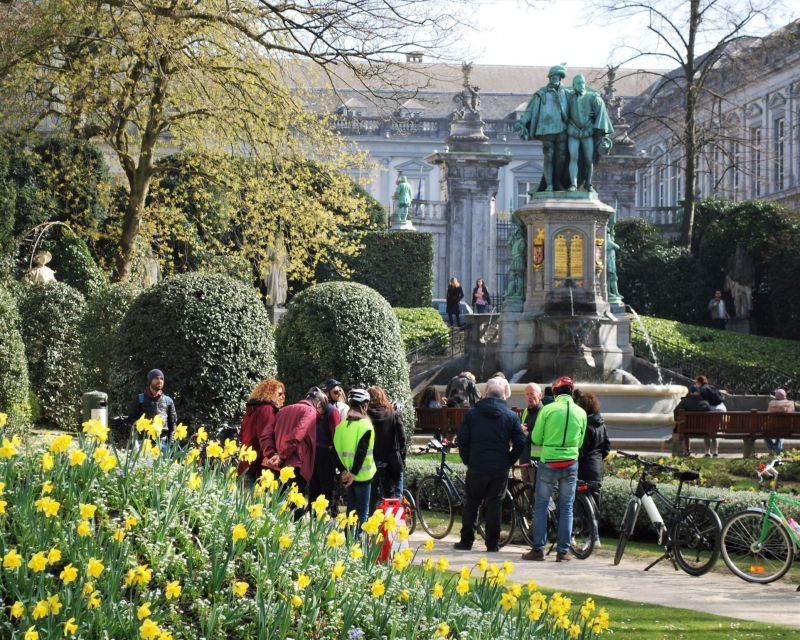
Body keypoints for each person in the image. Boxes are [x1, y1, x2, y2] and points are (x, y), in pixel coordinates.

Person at [453, 377, 525, 552]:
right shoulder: (510, 416)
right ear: (503, 397)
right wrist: (509, 460)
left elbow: (462, 439)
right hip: (499, 467)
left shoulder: (472, 413)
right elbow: (521, 441)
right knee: (495, 505)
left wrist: (467, 459)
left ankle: (466, 540)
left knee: (472, 502)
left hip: (477, 465)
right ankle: (492, 543)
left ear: (485, 394)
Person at [523, 376, 587, 562]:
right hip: (570, 462)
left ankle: (538, 549)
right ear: (572, 392)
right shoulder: (581, 412)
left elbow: (536, 438)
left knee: (541, 505)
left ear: (556, 392)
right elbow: (581, 441)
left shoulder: (548, 410)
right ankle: (563, 551)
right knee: (567, 507)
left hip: (549, 461)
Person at [514, 64, 570, 192]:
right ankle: (549, 184)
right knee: (549, 156)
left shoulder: (567, 93)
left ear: (561, 77)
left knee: (561, 156)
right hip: (546, 129)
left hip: (562, 128)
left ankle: (557, 182)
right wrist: (522, 121)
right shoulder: (541, 93)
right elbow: (530, 111)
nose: (552, 79)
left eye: (555, 76)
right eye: (551, 77)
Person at [264, 387, 328, 496]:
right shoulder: (311, 412)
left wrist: (272, 454)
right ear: (318, 404)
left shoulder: (283, 410)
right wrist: (281, 456)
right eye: (322, 413)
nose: (320, 416)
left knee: (274, 508)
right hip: (295, 468)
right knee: (294, 509)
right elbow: (297, 435)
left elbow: (266, 435)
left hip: (274, 465)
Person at [333, 388, 376, 528]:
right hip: (362, 477)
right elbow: (361, 452)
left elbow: (334, 451)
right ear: (364, 405)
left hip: (346, 477)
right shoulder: (365, 426)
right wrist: (353, 473)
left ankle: (348, 545)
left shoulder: (340, 426)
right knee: (362, 514)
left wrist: (344, 471)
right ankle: (359, 547)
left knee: (350, 513)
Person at [566, 74, 614, 193]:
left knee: (589, 159)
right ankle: (573, 184)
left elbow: (601, 114)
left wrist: (604, 135)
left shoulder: (592, 97)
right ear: (574, 86)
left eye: (582, 83)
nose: (581, 85)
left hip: (588, 132)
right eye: (578, 83)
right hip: (573, 131)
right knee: (573, 157)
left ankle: (588, 183)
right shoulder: (568, 97)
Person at [367, 386, 406, 512]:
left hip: (371, 459)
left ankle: (371, 526)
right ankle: (389, 526)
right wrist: (400, 450)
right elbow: (402, 437)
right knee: (390, 495)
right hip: (390, 459)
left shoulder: (365, 415)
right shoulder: (392, 414)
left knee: (372, 495)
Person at [237, 379, 285, 480]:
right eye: (279, 393)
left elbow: (242, 434)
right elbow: (265, 436)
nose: (282, 397)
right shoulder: (267, 409)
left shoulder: (252, 408)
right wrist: (272, 455)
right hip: (257, 463)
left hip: (246, 458)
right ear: (270, 392)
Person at [572, 389, 611, 516]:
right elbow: (606, 448)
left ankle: (582, 529)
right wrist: (598, 458)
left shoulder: (586, 425)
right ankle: (593, 531)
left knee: (581, 502)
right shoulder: (602, 424)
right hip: (597, 468)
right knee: (595, 501)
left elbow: (581, 450)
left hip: (585, 468)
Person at [307, 387, 342, 515]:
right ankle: (317, 516)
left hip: (325, 452)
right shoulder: (330, 411)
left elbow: (336, 434)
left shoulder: (332, 411)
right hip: (319, 451)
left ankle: (322, 515)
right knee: (317, 486)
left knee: (323, 486)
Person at [128, 369, 177, 444]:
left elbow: (172, 423)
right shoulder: (140, 399)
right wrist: (144, 425)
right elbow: (131, 419)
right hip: (144, 442)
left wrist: (171, 442)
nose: (159, 381)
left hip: (163, 442)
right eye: (156, 378)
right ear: (150, 381)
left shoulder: (168, 401)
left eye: (161, 379)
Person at [672, 384, 711, 456]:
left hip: (688, 429)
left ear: (690, 392)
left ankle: (687, 451)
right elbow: (710, 415)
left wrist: (676, 421)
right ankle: (707, 452)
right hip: (703, 429)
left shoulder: (685, 401)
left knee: (682, 429)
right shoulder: (705, 402)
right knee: (707, 433)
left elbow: (675, 411)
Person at [520, 383, 544, 485]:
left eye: (532, 394)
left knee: (537, 494)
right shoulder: (525, 411)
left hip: (538, 461)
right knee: (526, 492)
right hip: (524, 458)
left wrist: (525, 433)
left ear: (540, 395)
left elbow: (544, 435)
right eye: (527, 394)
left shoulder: (544, 412)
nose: (529, 397)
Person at [696, 375, 726, 457]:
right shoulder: (713, 387)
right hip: (721, 409)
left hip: (710, 410)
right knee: (715, 431)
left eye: (696, 382)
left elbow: (702, 403)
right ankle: (715, 452)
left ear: (699, 382)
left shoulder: (702, 390)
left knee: (707, 432)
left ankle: (707, 452)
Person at [766, 389, 794, 455]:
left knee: (763, 432)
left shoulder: (771, 404)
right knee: (781, 431)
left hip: (772, 428)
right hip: (786, 428)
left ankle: (773, 450)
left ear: (776, 396)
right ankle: (776, 450)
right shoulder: (790, 404)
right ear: (785, 395)